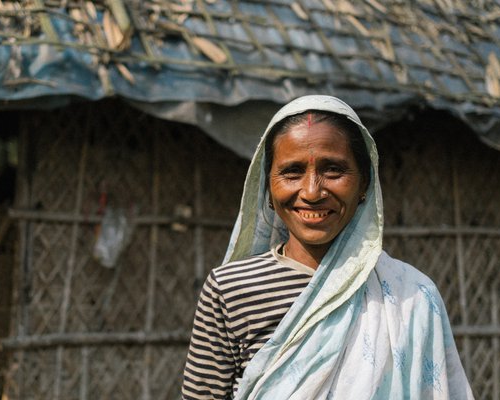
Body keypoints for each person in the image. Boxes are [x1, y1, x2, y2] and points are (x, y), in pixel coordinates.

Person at [181, 95, 473, 399]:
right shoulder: (230, 290)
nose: (312, 191)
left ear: (364, 185)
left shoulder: (411, 297)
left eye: (333, 170)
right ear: (267, 188)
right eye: (292, 171)